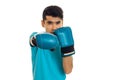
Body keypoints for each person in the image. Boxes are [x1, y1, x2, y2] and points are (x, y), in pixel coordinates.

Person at [29, 5, 75, 80]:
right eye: (50, 23)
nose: (54, 27)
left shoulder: (64, 41)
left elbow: (68, 70)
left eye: (58, 23)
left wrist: (67, 48)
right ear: (43, 23)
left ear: (62, 22)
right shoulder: (37, 37)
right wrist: (36, 40)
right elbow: (32, 40)